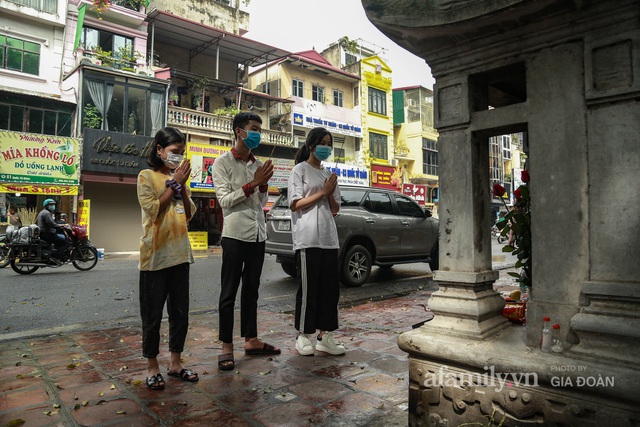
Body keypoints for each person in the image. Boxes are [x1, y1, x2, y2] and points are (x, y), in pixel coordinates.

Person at [212, 112, 279, 371]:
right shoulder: (222, 163)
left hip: (257, 235)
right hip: (234, 235)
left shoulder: (257, 164)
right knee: (228, 292)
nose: (258, 134)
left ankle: (251, 340)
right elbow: (225, 201)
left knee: (252, 290)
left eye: (259, 129)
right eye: (253, 128)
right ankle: (226, 346)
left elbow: (260, 205)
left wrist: (263, 187)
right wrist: (254, 183)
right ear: (239, 131)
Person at [137, 126, 199, 390]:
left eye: (181, 153)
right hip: (155, 258)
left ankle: (175, 363)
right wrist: (174, 184)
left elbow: (190, 212)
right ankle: (153, 367)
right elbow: (152, 209)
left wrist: (182, 187)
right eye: (174, 152)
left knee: (180, 314)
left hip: (181, 256)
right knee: (152, 317)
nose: (177, 157)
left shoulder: (179, 180)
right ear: (160, 150)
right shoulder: (146, 176)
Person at [288, 127, 345, 356]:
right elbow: (295, 204)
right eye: (322, 143)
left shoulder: (328, 174)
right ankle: (303, 335)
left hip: (329, 240)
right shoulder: (299, 170)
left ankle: (325, 335)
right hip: (308, 239)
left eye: (329, 144)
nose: (326, 148)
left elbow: (335, 209)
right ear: (311, 145)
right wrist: (322, 192)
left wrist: (329, 192)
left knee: (330, 290)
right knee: (309, 288)